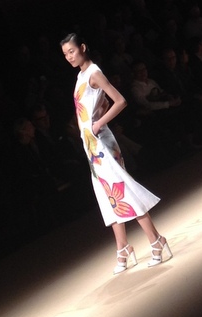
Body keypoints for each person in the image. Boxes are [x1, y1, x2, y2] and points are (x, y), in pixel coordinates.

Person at [60, 33, 172, 273]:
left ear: (83, 47)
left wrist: (99, 124)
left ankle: (156, 240)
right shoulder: (81, 75)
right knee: (107, 195)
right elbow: (97, 105)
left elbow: (120, 101)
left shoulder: (94, 73)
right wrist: (93, 122)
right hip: (91, 145)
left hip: (100, 142)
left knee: (123, 190)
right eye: (65, 54)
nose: (69, 57)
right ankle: (123, 247)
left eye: (72, 51)